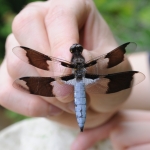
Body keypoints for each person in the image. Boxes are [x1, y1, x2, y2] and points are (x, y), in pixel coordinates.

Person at [0, 0, 150, 149]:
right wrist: (99, 113)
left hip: (79, 87)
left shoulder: (71, 64)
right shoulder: (83, 65)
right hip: (90, 96)